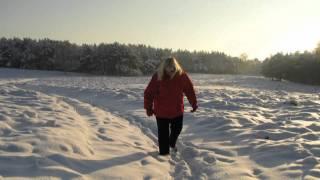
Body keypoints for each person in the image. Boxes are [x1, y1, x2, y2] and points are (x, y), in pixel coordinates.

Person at [144, 57, 198, 156]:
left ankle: (171, 143)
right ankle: (163, 156)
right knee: (163, 135)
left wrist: (194, 103)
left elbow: (189, 90)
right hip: (161, 112)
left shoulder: (182, 76)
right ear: (164, 67)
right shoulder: (157, 76)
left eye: (173, 67)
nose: (171, 69)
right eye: (169, 67)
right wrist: (148, 107)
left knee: (177, 129)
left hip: (177, 110)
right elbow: (149, 93)